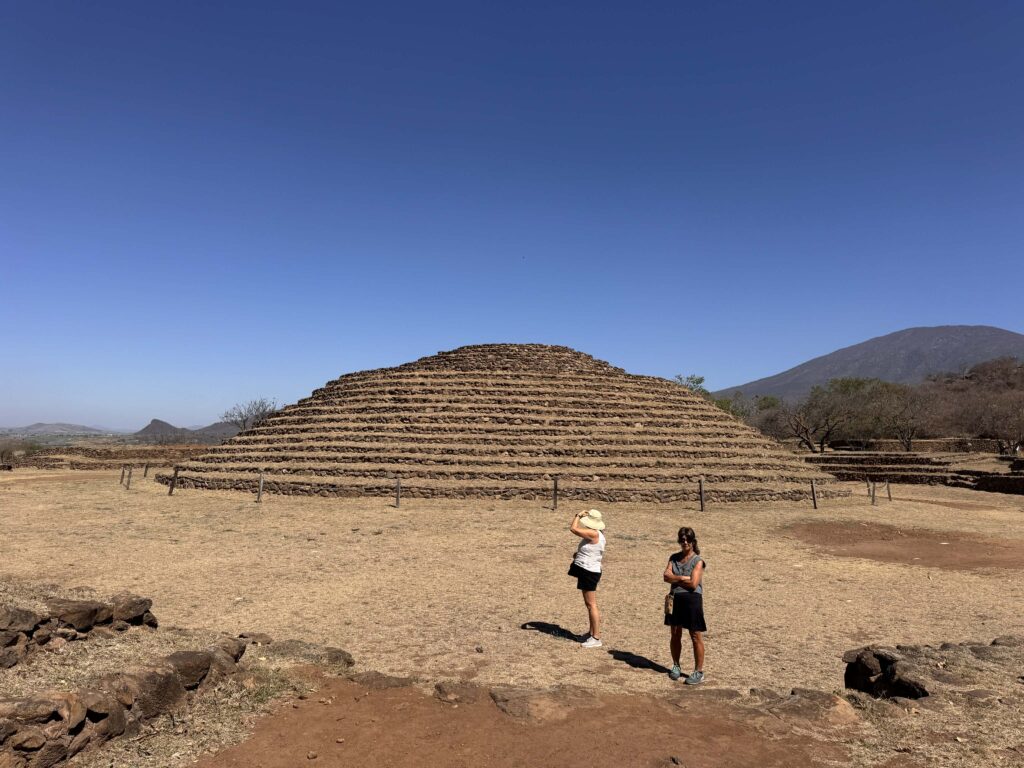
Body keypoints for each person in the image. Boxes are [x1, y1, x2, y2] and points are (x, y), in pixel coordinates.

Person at [663, 526, 706, 684]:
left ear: (693, 541)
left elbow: (694, 584)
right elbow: (665, 577)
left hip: (692, 600)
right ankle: (676, 666)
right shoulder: (673, 557)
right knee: (675, 634)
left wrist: (676, 577)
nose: (685, 542)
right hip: (675, 599)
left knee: (695, 635)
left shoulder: (698, 561)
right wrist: (684, 578)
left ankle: (698, 671)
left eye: (687, 539)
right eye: (682, 539)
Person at [568, 509, 606, 648]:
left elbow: (573, 528)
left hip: (589, 572)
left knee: (591, 605)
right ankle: (591, 633)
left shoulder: (593, 533)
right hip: (589, 570)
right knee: (589, 605)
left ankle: (596, 638)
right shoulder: (598, 534)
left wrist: (577, 515)